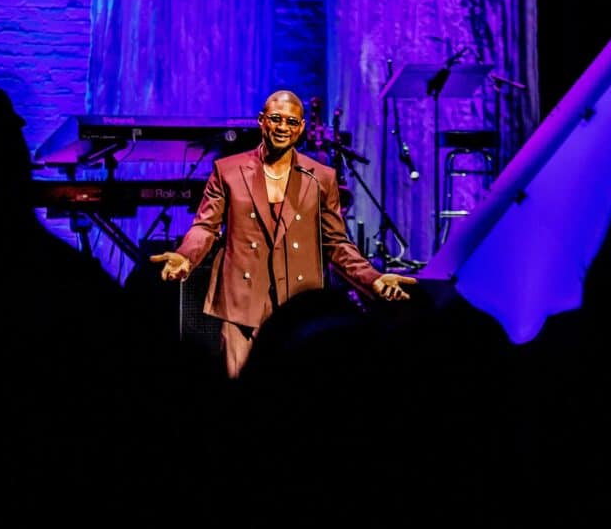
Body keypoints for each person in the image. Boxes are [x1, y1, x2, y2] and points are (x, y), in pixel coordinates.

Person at [150, 89, 417, 378]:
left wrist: (373, 279)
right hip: (243, 304)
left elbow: (337, 244)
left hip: (298, 306)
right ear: (262, 121)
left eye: (291, 122)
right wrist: (185, 256)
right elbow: (205, 227)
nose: (282, 128)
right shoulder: (227, 171)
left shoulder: (321, 178)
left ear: (301, 127)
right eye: (276, 119)